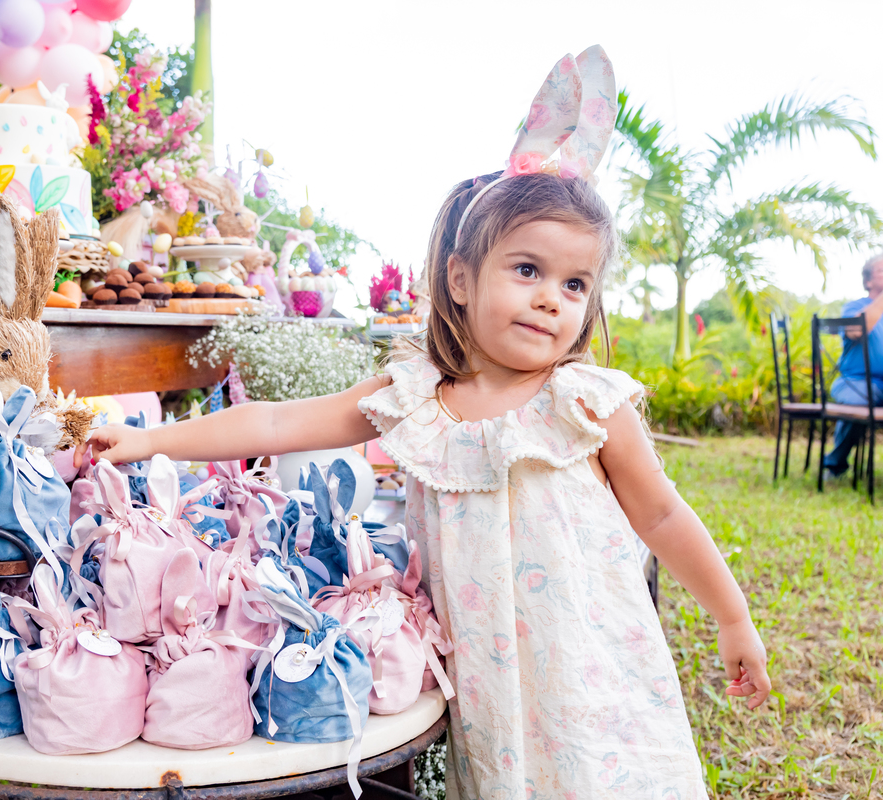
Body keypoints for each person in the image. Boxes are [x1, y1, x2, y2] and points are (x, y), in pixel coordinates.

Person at [81, 46, 769, 798]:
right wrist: (149, 441)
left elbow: (662, 515)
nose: (551, 298)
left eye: (575, 284)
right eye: (528, 270)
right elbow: (277, 425)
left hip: (594, 673)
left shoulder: (583, 404)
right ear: (461, 279)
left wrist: (732, 618)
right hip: (494, 690)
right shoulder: (417, 396)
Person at [821, 254, 883, 478]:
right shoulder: (854, 307)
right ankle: (835, 463)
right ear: (868, 281)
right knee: (860, 400)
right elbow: (856, 330)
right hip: (854, 381)